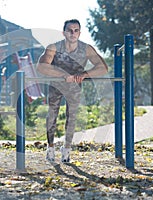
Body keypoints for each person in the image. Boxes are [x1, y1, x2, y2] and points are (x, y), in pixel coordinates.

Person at [37, 19, 108, 163]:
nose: (72, 33)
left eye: (76, 30)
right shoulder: (54, 47)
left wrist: (85, 75)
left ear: (80, 33)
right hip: (57, 84)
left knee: (72, 117)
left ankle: (66, 149)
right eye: (70, 30)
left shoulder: (86, 48)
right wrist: (63, 75)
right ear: (64, 33)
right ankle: (50, 147)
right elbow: (41, 66)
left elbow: (103, 67)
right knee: (52, 115)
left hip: (74, 86)